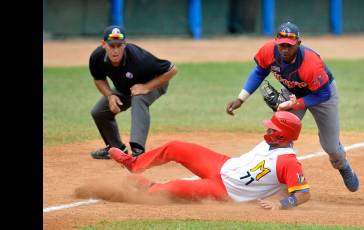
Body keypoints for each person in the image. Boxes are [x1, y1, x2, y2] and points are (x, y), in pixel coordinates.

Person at [225, 22, 359, 192]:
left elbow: (323, 94)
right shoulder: (268, 51)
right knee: (279, 133)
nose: (285, 50)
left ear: (298, 44)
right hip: (293, 92)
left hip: (322, 95)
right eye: (281, 45)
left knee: (331, 146)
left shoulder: (310, 63)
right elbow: (259, 71)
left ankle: (343, 166)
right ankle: (276, 180)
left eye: (289, 46)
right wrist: (241, 98)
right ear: (276, 42)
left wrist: (294, 104)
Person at [108, 111, 311, 210]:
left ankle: (149, 187)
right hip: (222, 163)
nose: (267, 130)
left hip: (224, 190)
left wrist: (281, 204)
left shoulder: (289, 162)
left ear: (283, 136)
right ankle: (134, 164)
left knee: (167, 190)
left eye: (272, 129)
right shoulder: (274, 143)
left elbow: (303, 194)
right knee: (175, 146)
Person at [88, 25, 177, 159]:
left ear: (125, 45)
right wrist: (110, 95)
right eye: (112, 46)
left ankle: (138, 152)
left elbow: (172, 69)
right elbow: (99, 79)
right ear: (103, 44)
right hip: (124, 87)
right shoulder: (97, 58)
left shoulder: (139, 58)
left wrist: (147, 87)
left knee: (139, 97)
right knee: (99, 112)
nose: (115, 50)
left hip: (155, 83)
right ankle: (116, 148)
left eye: (119, 45)